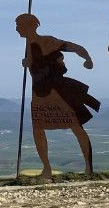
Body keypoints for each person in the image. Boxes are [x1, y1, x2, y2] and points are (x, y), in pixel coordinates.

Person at [15, 13, 99, 179]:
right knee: (38, 129)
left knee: (76, 126)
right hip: (38, 93)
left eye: (19, 25)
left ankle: (89, 167)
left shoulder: (48, 41)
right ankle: (47, 168)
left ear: (29, 26)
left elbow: (75, 47)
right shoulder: (28, 45)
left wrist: (87, 59)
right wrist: (28, 62)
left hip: (57, 92)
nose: (17, 29)